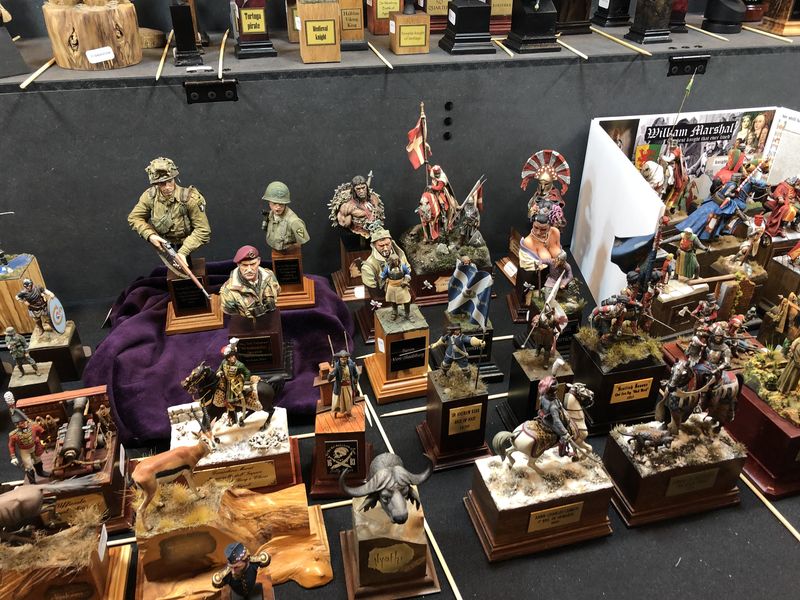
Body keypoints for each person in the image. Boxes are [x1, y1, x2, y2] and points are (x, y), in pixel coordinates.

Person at [128, 157, 211, 261]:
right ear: (156, 184)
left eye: (170, 181)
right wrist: (150, 235)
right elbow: (134, 217)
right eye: (162, 183)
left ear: (174, 178)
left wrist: (183, 252)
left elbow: (203, 230)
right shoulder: (150, 197)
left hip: (186, 242)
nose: (167, 187)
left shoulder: (190, 198)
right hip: (165, 244)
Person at [220, 246, 281, 318]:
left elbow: (277, 290)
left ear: (259, 261)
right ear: (238, 264)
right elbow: (229, 311)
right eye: (244, 265)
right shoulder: (229, 290)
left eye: (253, 264)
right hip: (246, 322)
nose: (249, 270)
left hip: (270, 318)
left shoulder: (269, 276)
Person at [216, 339, 260, 426]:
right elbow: (219, 369)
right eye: (230, 357)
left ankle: (235, 410)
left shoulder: (240, 365)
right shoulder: (223, 362)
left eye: (233, 356)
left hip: (236, 383)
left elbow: (247, 373)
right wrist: (219, 373)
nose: (232, 358)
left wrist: (244, 382)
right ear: (227, 358)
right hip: (226, 382)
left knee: (230, 399)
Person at [359, 229, 410, 304]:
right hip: (386, 294)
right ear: (374, 245)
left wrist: (406, 280)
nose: (385, 248)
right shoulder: (368, 267)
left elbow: (408, 271)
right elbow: (372, 286)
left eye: (387, 244)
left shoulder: (400, 255)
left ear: (391, 242)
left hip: (402, 289)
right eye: (381, 246)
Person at [261, 181, 310, 252]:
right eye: (274, 203)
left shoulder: (294, 221)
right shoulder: (270, 214)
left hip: (288, 250)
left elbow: (303, 238)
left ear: (285, 203)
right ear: (269, 203)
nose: (278, 207)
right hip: (274, 248)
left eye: (281, 204)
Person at [8, 412, 48, 484]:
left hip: (34, 447)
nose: (23, 424)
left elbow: (42, 432)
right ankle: (32, 481)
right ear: (17, 425)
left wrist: (43, 438)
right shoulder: (13, 435)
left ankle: (40, 472)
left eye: (23, 422)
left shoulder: (33, 427)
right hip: (24, 451)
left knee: (38, 460)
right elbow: (11, 445)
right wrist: (13, 457)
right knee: (28, 466)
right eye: (20, 423)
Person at [536, 376, 572, 456]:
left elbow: (540, 408)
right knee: (565, 437)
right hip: (550, 421)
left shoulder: (543, 396)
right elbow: (557, 421)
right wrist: (565, 432)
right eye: (554, 391)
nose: (555, 393)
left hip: (543, 416)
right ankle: (563, 453)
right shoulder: (553, 407)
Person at [380, 254, 413, 321]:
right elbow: (382, 276)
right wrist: (384, 277)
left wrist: (405, 281)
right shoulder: (387, 268)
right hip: (391, 286)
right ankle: (394, 313)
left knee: (406, 300)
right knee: (393, 300)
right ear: (390, 261)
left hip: (401, 286)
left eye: (396, 260)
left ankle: (407, 314)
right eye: (393, 260)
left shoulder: (403, 267)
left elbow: (407, 274)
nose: (395, 262)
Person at [328, 350, 359, 418]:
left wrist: (355, 382)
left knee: (348, 400)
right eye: (342, 359)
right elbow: (329, 379)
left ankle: (349, 412)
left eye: (345, 359)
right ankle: (336, 413)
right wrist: (331, 373)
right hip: (340, 387)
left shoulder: (351, 364)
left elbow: (355, 374)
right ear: (339, 359)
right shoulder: (337, 366)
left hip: (348, 386)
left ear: (347, 358)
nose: (343, 361)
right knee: (337, 401)